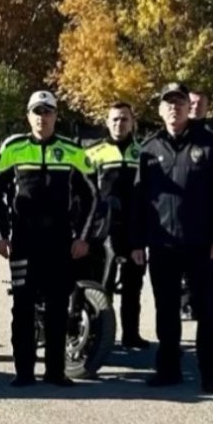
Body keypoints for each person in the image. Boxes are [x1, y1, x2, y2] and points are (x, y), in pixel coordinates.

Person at [0, 90, 101, 387]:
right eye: (37, 112)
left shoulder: (72, 151)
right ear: (28, 116)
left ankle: (55, 372)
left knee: (57, 309)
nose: (42, 117)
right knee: (22, 309)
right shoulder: (13, 147)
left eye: (48, 111)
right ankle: (23, 372)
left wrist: (83, 237)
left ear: (55, 116)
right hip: (24, 242)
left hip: (60, 244)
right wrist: (0, 235)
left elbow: (92, 195)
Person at [133, 82, 213, 394]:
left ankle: (209, 372)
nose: (174, 108)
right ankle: (168, 368)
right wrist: (137, 241)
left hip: (202, 244)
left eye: (179, 103)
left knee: (207, 311)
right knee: (166, 309)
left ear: (188, 107)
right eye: (168, 104)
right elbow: (140, 200)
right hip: (163, 244)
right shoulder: (149, 148)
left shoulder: (209, 144)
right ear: (160, 110)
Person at [83, 101, 148, 350]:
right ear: (107, 122)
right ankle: (102, 336)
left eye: (124, 119)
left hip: (133, 230)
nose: (119, 124)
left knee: (133, 287)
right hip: (102, 232)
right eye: (115, 119)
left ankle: (131, 335)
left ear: (132, 122)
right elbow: (83, 195)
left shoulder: (143, 154)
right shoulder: (93, 154)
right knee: (103, 285)